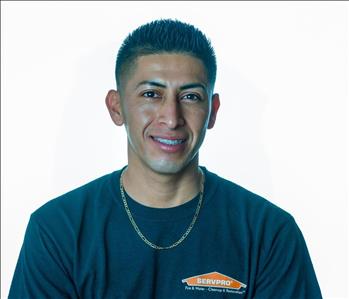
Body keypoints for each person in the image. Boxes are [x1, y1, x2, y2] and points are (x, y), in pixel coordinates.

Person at [9, 19, 322, 299]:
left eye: (190, 97)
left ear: (212, 112)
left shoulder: (268, 234)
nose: (171, 117)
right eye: (150, 94)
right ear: (116, 107)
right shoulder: (58, 231)